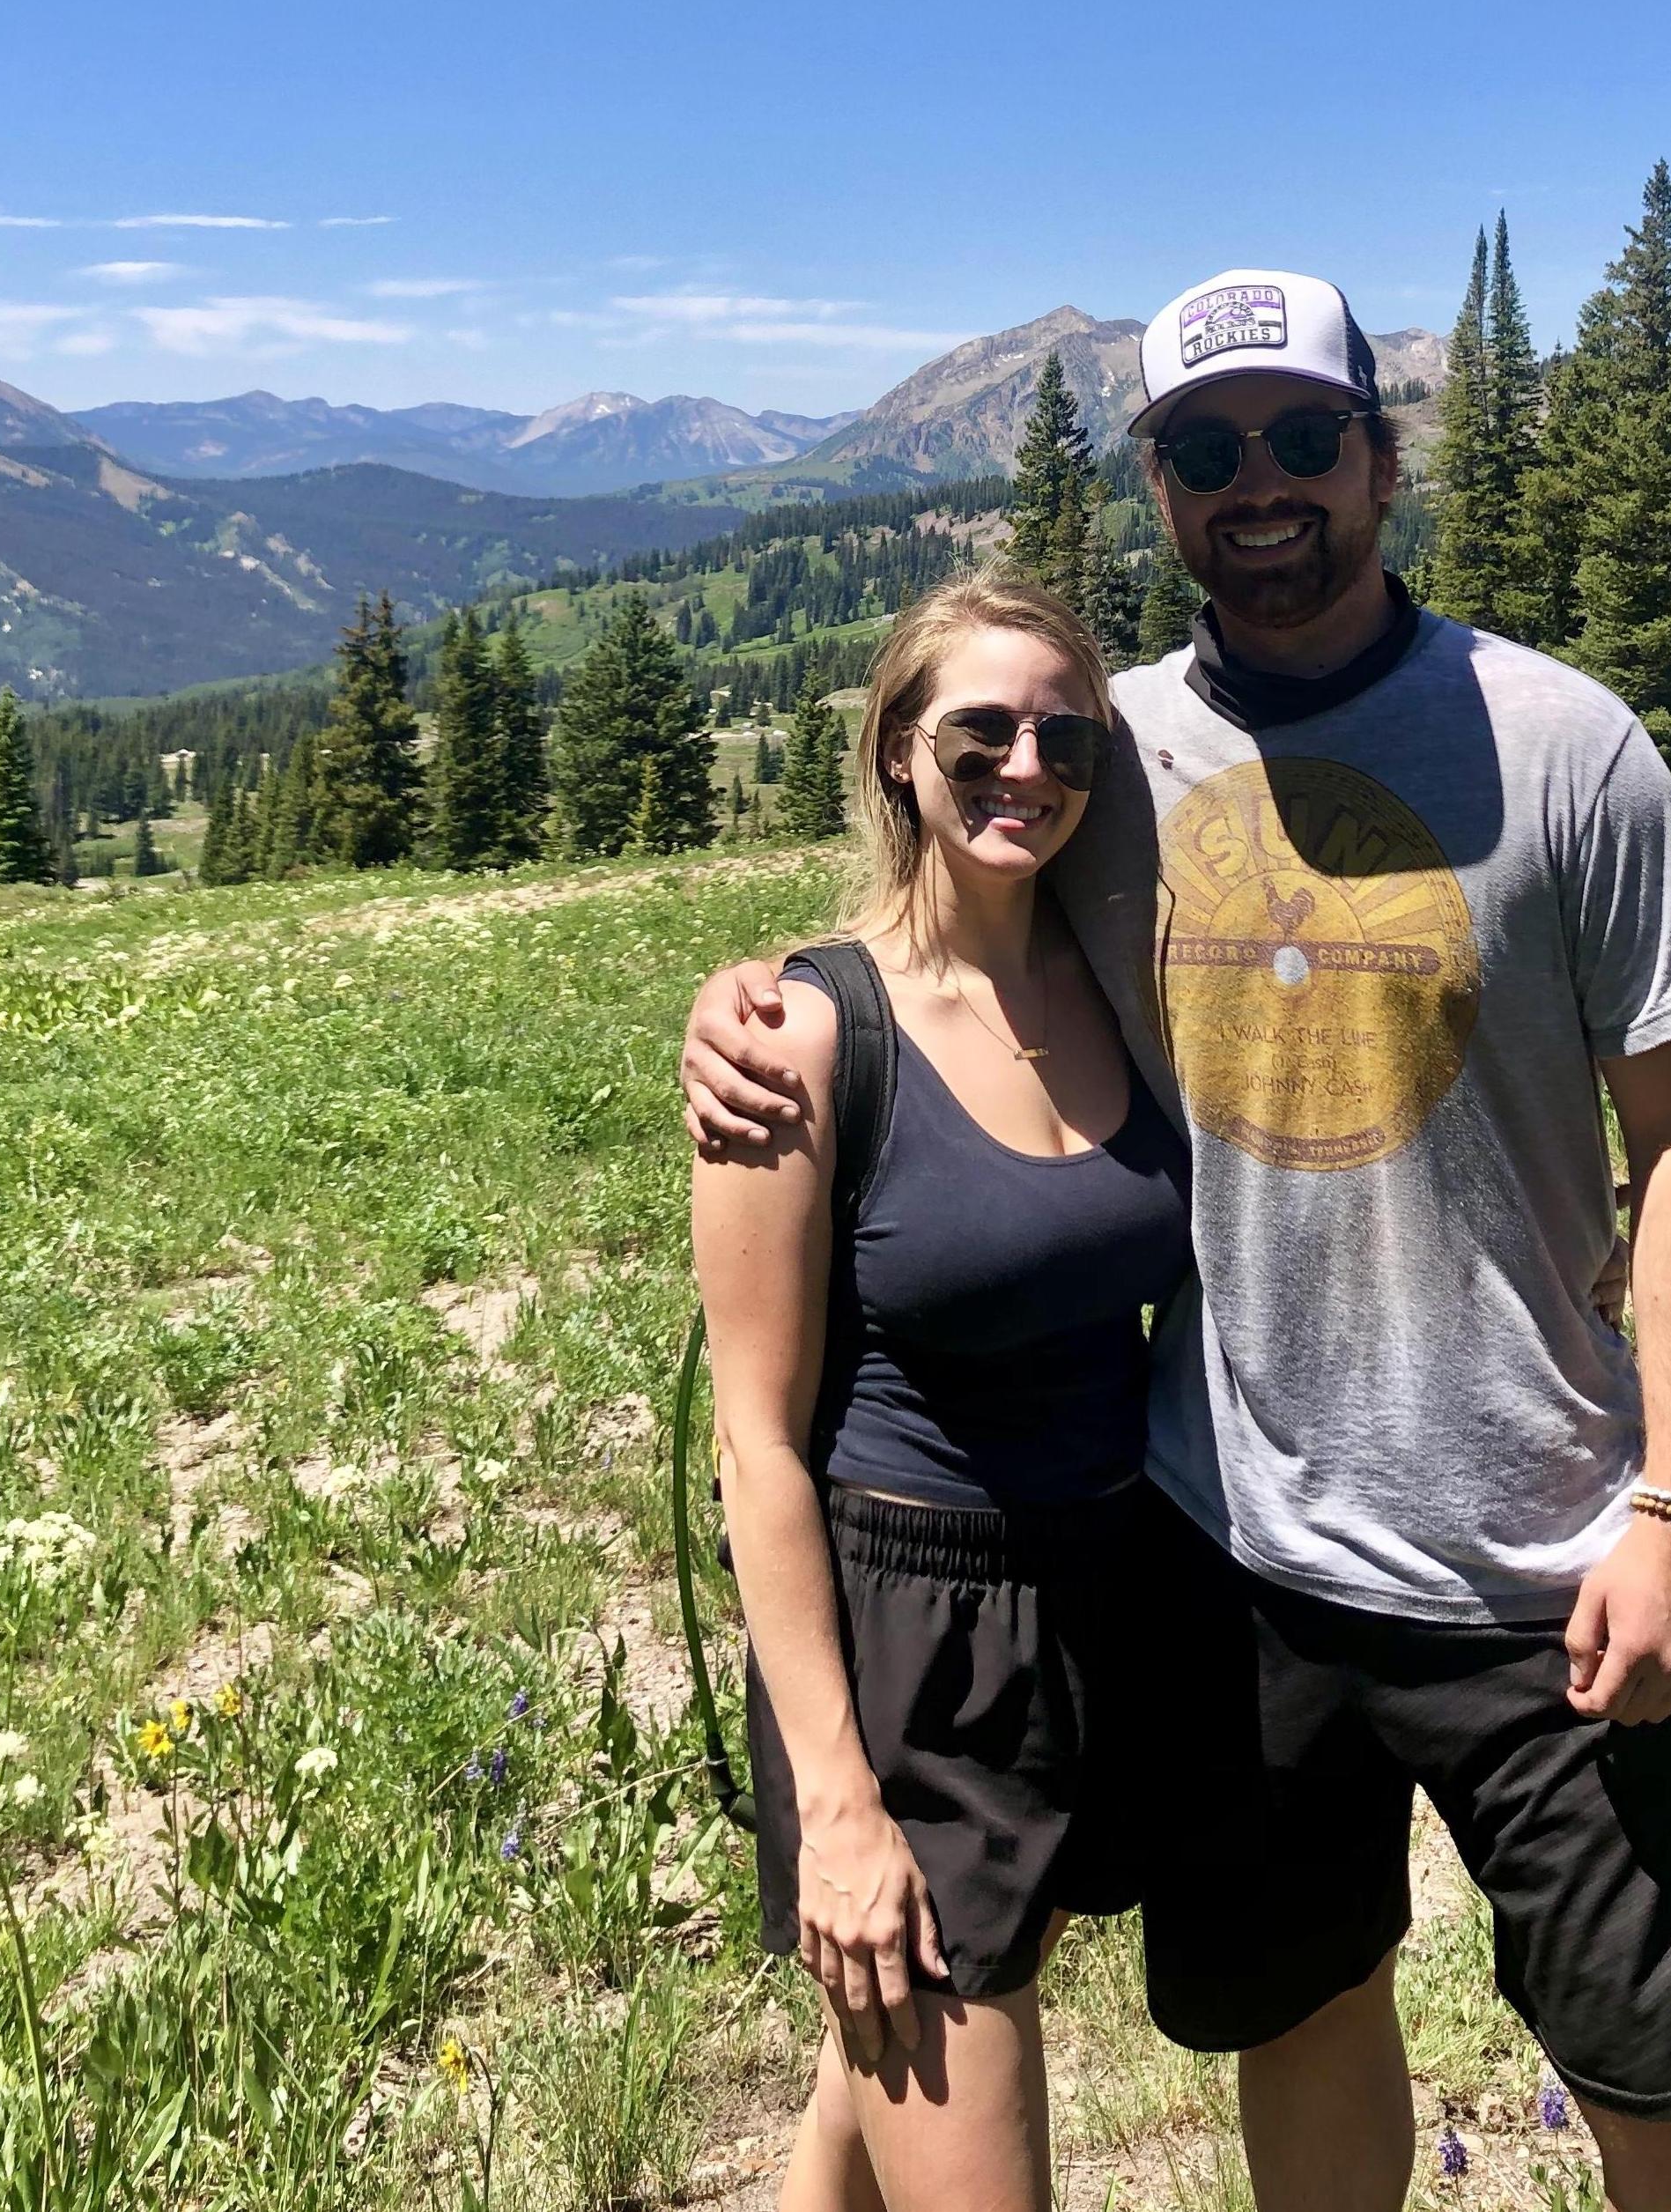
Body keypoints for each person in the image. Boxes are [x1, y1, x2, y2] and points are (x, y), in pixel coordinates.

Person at [685, 270, 1671, 2211]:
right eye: (1207, 450)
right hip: (1236, 1558)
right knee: (1302, 2014)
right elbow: (944, 907)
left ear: (1378, 457)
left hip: (1552, 1561)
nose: (1259, 484)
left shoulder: (1568, 746)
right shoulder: (1107, 757)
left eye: (1303, 440)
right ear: (1164, 488)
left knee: (1662, 2078)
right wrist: (749, 998)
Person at [690, 572, 1193, 2212]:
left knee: (878, 2066)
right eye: (979, 730)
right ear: (899, 750)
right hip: (914, 1640)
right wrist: (837, 1803)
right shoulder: (805, 1037)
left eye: (1066, 735)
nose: (1026, 767)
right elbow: (756, 1444)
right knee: (963, 2118)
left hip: (1100, 1589)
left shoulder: (1127, 983)